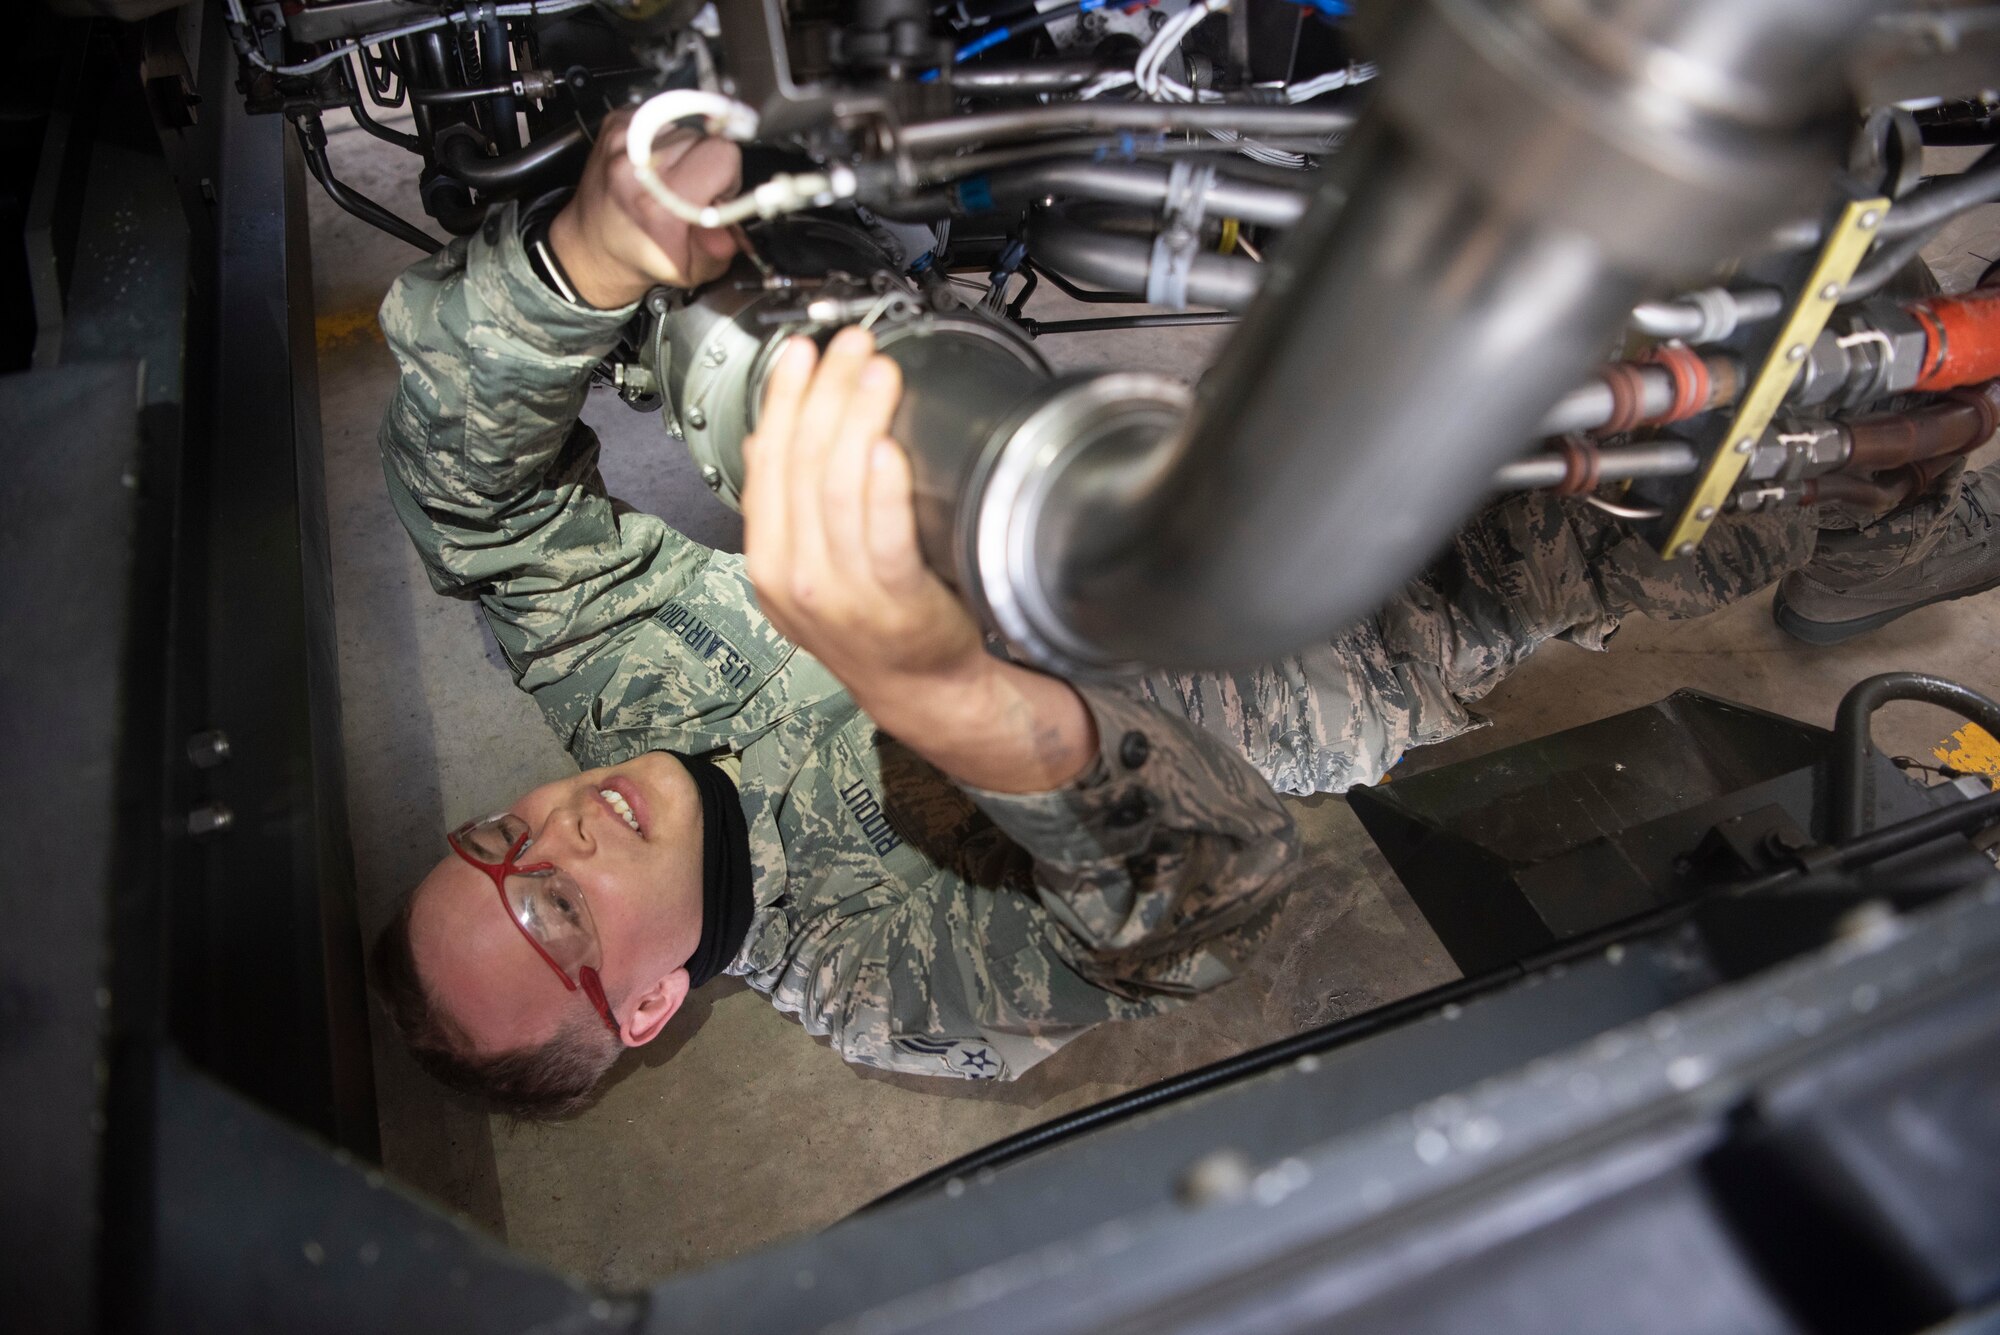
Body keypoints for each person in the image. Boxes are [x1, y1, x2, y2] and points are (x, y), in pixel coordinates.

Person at [370, 110, 2000, 1117]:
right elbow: (1206, 899)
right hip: (1385, 613)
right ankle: (1901, 534)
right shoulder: (883, 983)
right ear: (643, 1009)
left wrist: (584, 260)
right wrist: (933, 688)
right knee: (1832, 428)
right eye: (556, 918)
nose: (552, 837)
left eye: (495, 845)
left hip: (1193, 441)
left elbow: (464, 489)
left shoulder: (610, 683)